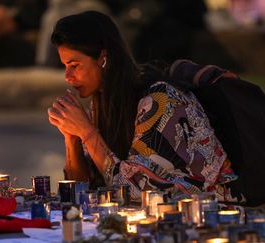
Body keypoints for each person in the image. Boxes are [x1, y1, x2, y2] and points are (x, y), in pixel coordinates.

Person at [47, 11, 244, 202]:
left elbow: (134, 190)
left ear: (102, 58)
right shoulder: (100, 105)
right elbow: (80, 191)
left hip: (210, 212)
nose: (67, 76)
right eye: (65, 66)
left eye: (74, 65)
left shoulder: (158, 100)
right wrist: (71, 136)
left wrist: (87, 131)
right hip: (159, 213)